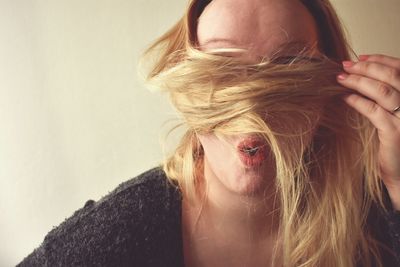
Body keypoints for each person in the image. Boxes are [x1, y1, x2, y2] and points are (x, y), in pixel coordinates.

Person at [18, 0, 400, 266]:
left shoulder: (374, 219)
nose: (254, 110)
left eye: (289, 68)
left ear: (329, 95)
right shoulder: (117, 234)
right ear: (187, 86)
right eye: (221, 67)